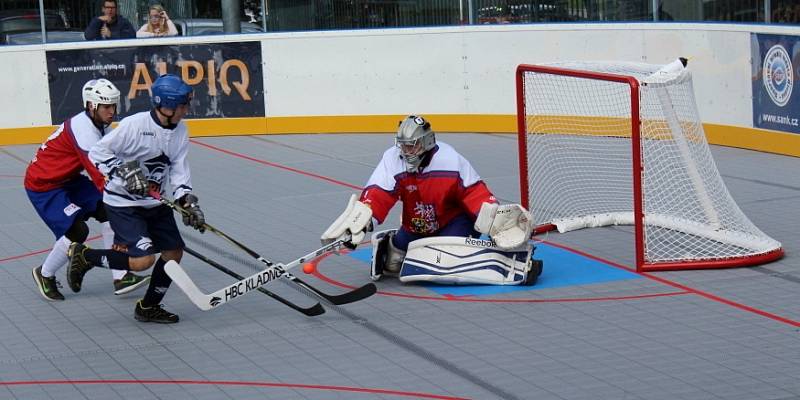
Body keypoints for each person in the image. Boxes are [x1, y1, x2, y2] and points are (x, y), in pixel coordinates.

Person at [321, 115, 541, 286]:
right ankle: (392, 245)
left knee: (443, 265)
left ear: (427, 142)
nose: (406, 151)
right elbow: (379, 191)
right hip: (416, 223)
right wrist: (364, 222)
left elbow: (475, 194)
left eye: (412, 145)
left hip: (453, 223)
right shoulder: (392, 158)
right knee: (394, 264)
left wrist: (494, 221)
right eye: (403, 145)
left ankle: (505, 264)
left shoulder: (451, 160)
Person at [69, 74, 205, 324]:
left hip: (155, 203)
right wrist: (125, 172)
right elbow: (98, 152)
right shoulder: (135, 125)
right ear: (167, 106)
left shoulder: (180, 130)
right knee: (143, 260)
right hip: (124, 204)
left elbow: (178, 169)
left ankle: (148, 307)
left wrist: (186, 201)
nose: (186, 109)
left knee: (174, 252)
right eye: (183, 105)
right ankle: (85, 256)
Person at [27, 79, 150, 301]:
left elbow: (115, 156)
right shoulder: (84, 131)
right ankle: (44, 273)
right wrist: (127, 197)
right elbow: (99, 173)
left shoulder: (99, 124)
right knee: (78, 232)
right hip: (44, 185)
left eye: (114, 105)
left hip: (67, 179)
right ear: (92, 106)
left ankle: (121, 276)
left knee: (106, 210)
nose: (112, 111)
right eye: (106, 107)